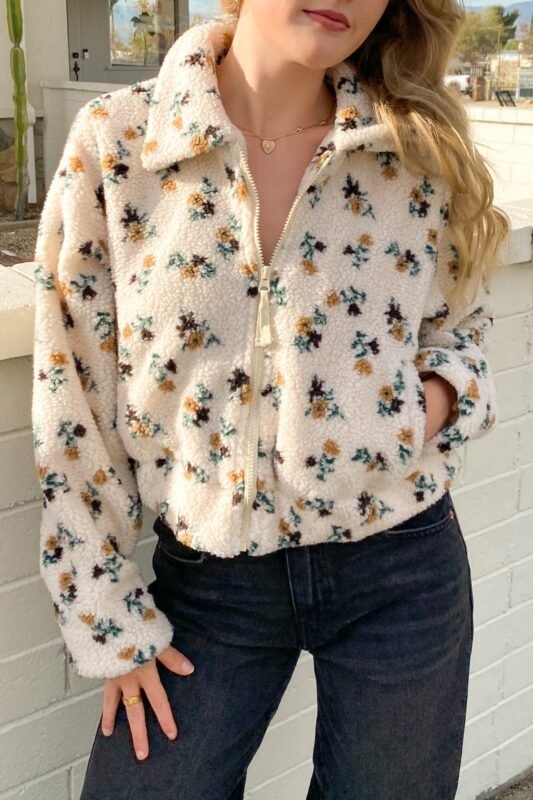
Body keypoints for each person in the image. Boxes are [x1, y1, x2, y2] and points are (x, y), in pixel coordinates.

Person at [31, 1, 510, 798]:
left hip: (399, 564)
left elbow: (460, 328)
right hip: (211, 584)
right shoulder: (122, 141)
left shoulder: (411, 148)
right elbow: (70, 394)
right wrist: (106, 614)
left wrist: (418, 411)